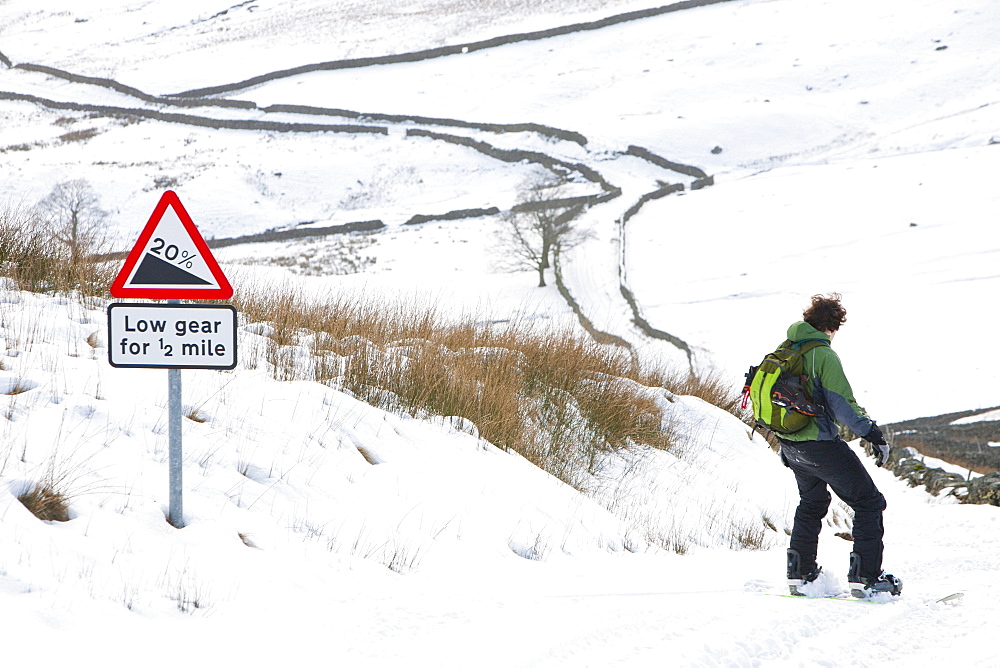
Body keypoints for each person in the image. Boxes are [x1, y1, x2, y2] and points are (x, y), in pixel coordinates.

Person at [778, 293, 902, 598]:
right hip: (820, 445)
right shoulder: (822, 354)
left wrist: (785, 444)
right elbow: (842, 404)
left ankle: (800, 574)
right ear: (832, 327)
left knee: (812, 503)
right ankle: (866, 579)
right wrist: (872, 432)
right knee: (869, 502)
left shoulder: (784, 349)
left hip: (791, 445)